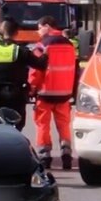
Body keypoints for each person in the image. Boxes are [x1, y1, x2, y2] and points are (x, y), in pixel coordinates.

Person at [0, 17, 46, 130]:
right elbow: (41, 65)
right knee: (17, 123)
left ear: (1, 31)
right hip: (17, 94)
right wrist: (46, 53)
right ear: (16, 33)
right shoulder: (21, 51)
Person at [28, 15, 77, 170]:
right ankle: (66, 153)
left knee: (43, 124)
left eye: (39, 27)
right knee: (64, 125)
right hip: (64, 93)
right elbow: (75, 70)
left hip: (45, 92)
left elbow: (35, 70)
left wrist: (32, 88)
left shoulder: (42, 45)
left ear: (47, 26)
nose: (38, 31)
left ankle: (44, 156)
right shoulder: (70, 45)